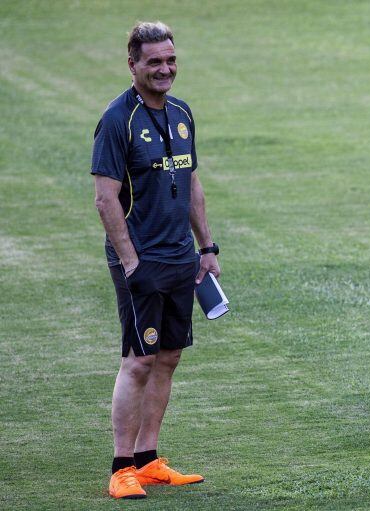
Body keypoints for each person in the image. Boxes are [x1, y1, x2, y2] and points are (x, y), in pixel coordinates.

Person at [92, 21, 221, 499]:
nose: (165, 69)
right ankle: (121, 466)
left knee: (167, 357)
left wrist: (206, 248)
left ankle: (148, 460)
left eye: (170, 60)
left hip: (180, 258)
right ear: (132, 64)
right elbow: (105, 199)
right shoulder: (116, 120)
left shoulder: (183, 112)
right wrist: (130, 262)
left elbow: (190, 183)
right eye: (154, 62)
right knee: (138, 361)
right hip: (141, 260)